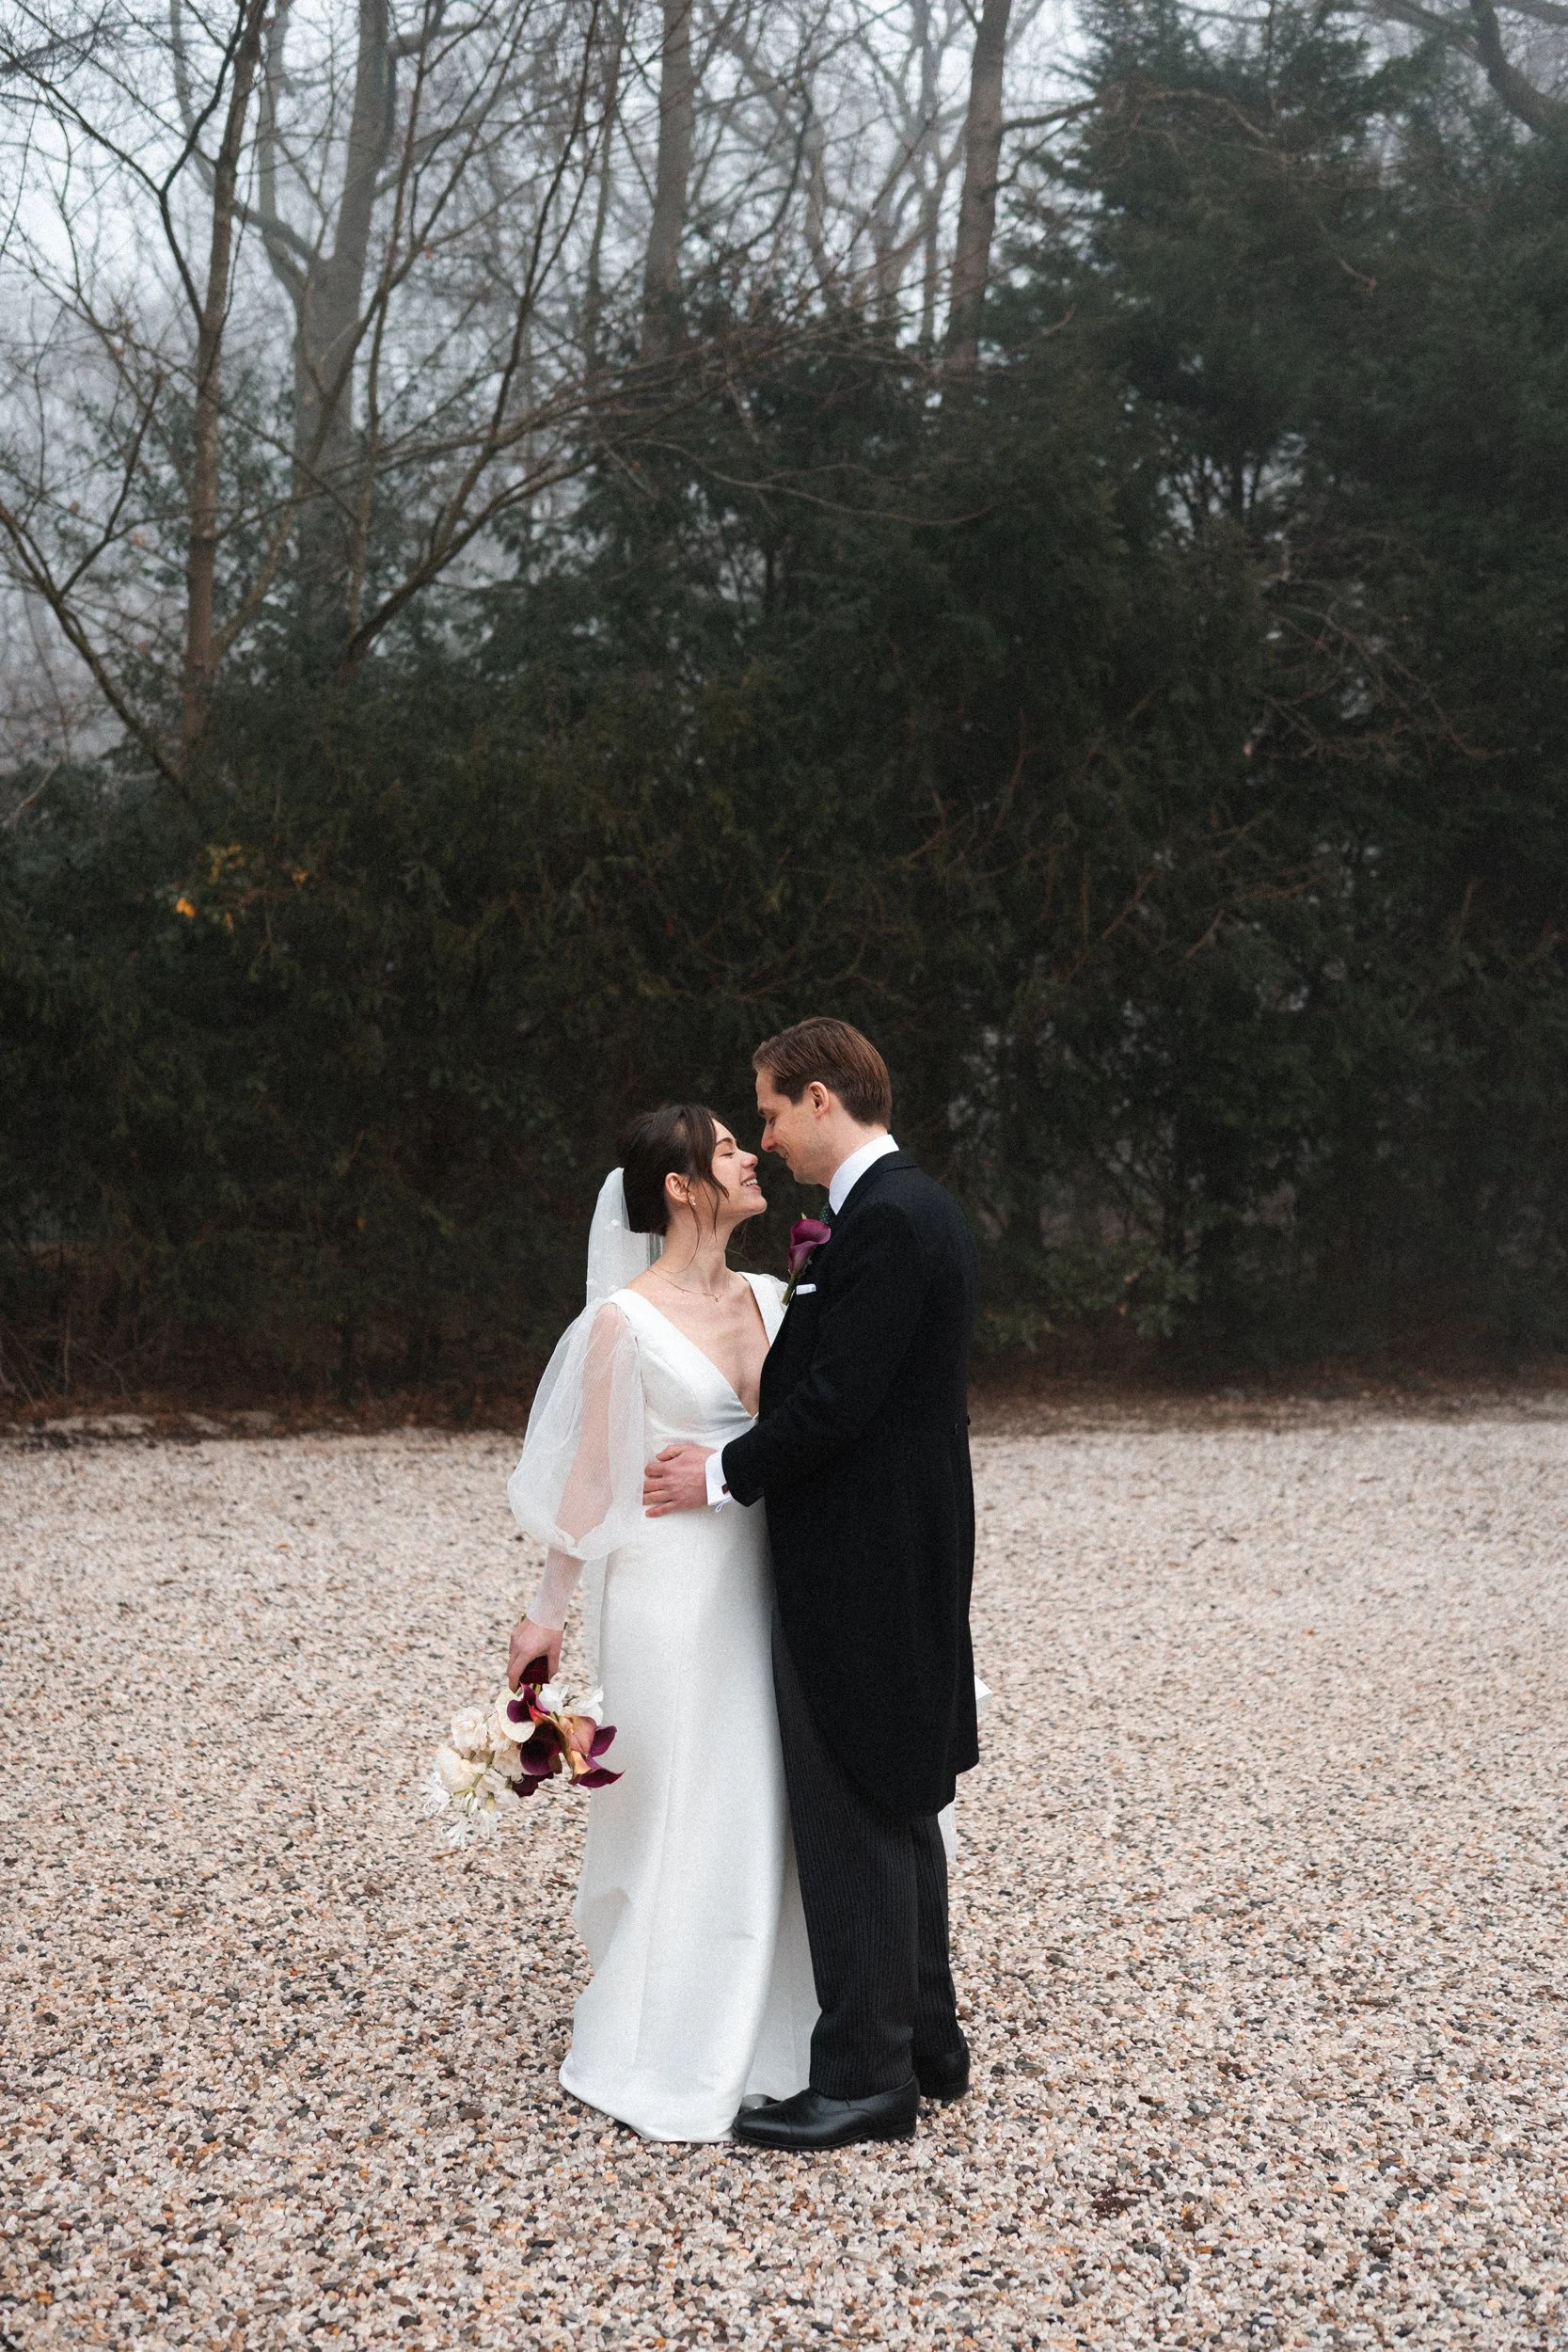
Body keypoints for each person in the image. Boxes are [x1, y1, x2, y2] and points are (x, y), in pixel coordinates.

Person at [643, 1017, 980, 2152]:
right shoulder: (898, 1212)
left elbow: (836, 1401)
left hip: (864, 1559)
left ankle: (863, 2078)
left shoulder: (883, 1224)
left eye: (774, 1110)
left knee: (853, 1805)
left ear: (824, 1099)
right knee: (900, 1792)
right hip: (900, 1544)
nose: (769, 1135)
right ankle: (926, 2040)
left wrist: (719, 1473)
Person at [505, 1106, 816, 2141]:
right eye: (726, 1148)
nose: (748, 1156)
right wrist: (543, 1616)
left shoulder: (775, 1296)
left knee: (767, 1787)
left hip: (765, 1570)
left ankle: (785, 2020)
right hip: (667, 1590)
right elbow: (589, 1483)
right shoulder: (620, 1323)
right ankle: (666, 2027)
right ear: (679, 1187)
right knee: (682, 1788)